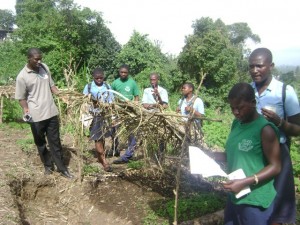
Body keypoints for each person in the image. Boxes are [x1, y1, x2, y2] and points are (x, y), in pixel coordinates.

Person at [214, 82, 281, 225]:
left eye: (239, 108)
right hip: (236, 195)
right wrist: (210, 155)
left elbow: (276, 166)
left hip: (255, 200)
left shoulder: (265, 129)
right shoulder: (237, 124)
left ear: (253, 103)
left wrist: (245, 181)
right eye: (232, 108)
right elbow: (232, 155)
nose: (236, 112)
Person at [248, 48, 300, 225]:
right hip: (252, 154)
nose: (255, 70)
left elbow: (298, 128)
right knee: (253, 200)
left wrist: (280, 123)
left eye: (259, 66)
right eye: (251, 66)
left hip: (277, 154)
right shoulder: (247, 90)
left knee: (277, 205)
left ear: (271, 66)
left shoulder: (285, 91)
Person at [15, 48, 73, 179]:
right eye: (36, 59)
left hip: (51, 111)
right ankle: (48, 165)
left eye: (40, 58)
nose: (39, 61)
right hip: (36, 115)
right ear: (29, 58)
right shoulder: (22, 76)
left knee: (55, 141)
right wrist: (25, 109)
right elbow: (21, 98)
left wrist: (61, 96)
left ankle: (62, 168)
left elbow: (52, 86)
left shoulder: (44, 68)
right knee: (40, 143)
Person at [82, 68, 114, 172]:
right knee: (97, 138)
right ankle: (104, 161)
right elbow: (84, 100)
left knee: (103, 136)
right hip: (94, 116)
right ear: (93, 77)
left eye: (101, 78)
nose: (99, 79)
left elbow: (111, 101)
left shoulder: (108, 86)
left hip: (105, 115)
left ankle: (101, 156)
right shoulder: (89, 87)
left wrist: (109, 109)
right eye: (97, 78)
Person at [111, 64, 139, 164]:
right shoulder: (115, 83)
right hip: (118, 111)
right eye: (121, 72)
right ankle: (115, 150)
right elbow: (111, 95)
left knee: (131, 133)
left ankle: (129, 154)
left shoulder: (132, 83)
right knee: (114, 130)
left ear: (128, 73)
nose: (123, 74)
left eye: (125, 72)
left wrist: (134, 106)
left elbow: (136, 96)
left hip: (129, 112)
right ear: (119, 72)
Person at [141, 72, 169, 162]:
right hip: (149, 116)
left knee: (161, 137)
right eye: (151, 79)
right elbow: (144, 105)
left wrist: (158, 96)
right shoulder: (146, 90)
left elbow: (164, 106)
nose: (152, 81)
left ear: (157, 80)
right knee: (150, 137)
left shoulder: (163, 91)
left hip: (160, 117)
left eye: (154, 79)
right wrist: (154, 105)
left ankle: (161, 158)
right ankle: (151, 158)